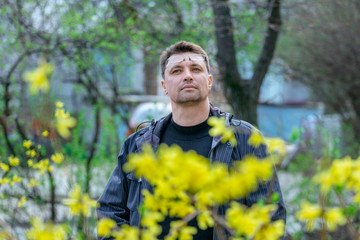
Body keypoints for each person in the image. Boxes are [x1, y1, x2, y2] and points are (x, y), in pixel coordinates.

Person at [97, 41, 286, 240]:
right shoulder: (139, 145)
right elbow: (109, 210)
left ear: (209, 81)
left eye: (196, 69)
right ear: (164, 86)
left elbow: (270, 215)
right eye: (177, 71)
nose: (188, 75)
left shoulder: (244, 138)